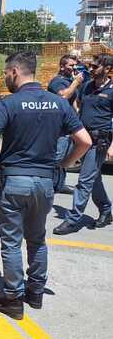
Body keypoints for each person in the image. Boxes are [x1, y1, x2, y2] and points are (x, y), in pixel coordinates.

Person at [0, 51, 91, 319]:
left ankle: (13, 298)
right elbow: (84, 140)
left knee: (12, 242)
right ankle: (35, 292)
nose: (6, 78)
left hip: (14, 180)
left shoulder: (9, 104)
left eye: (6, 73)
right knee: (37, 239)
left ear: (16, 72)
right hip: (44, 181)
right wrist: (63, 164)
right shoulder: (58, 103)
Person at [54, 53, 113, 235]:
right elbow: (78, 105)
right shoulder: (87, 86)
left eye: (96, 67)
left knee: (84, 180)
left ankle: (73, 219)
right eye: (91, 66)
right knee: (93, 178)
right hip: (82, 139)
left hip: (100, 142)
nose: (91, 69)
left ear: (108, 70)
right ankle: (106, 210)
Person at [48, 54, 85, 195]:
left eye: (75, 65)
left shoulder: (69, 81)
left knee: (66, 159)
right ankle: (50, 185)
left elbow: (74, 102)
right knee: (57, 158)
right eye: (70, 65)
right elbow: (63, 96)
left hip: (69, 128)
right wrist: (75, 82)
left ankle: (59, 183)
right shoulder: (57, 81)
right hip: (59, 129)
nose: (73, 68)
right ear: (62, 66)